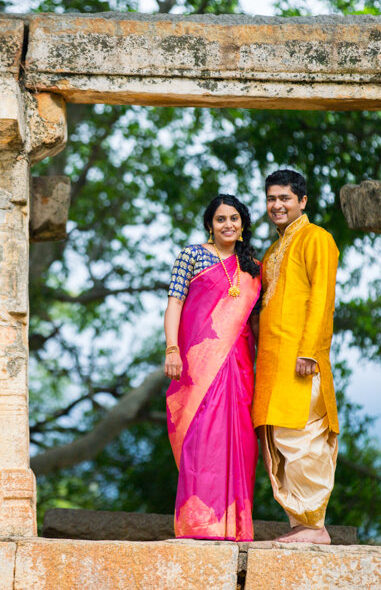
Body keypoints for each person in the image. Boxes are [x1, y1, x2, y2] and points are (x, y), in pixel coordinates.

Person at [163, 194, 262, 542]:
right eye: (221, 219)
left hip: (238, 365)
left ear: (243, 224)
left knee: (238, 439)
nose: (228, 225)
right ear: (210, 224)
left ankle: (234, 526)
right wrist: (172, 348)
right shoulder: (192, 255)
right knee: (200, 437)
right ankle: (199, 523)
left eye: (234, 218)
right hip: (198, 363)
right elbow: (174, 302)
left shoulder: (252, 268)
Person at [253, 169, 340, 545]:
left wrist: (309, 351)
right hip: (273, 364)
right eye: (271, 198)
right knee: (280, 442)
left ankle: (315, 526)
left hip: (300, 360)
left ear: (302, 201)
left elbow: (322, 297)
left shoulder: (315, 238)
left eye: (284, 198)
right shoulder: (273, 250)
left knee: (303, 437)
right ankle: (300, 525)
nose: (277, 205)